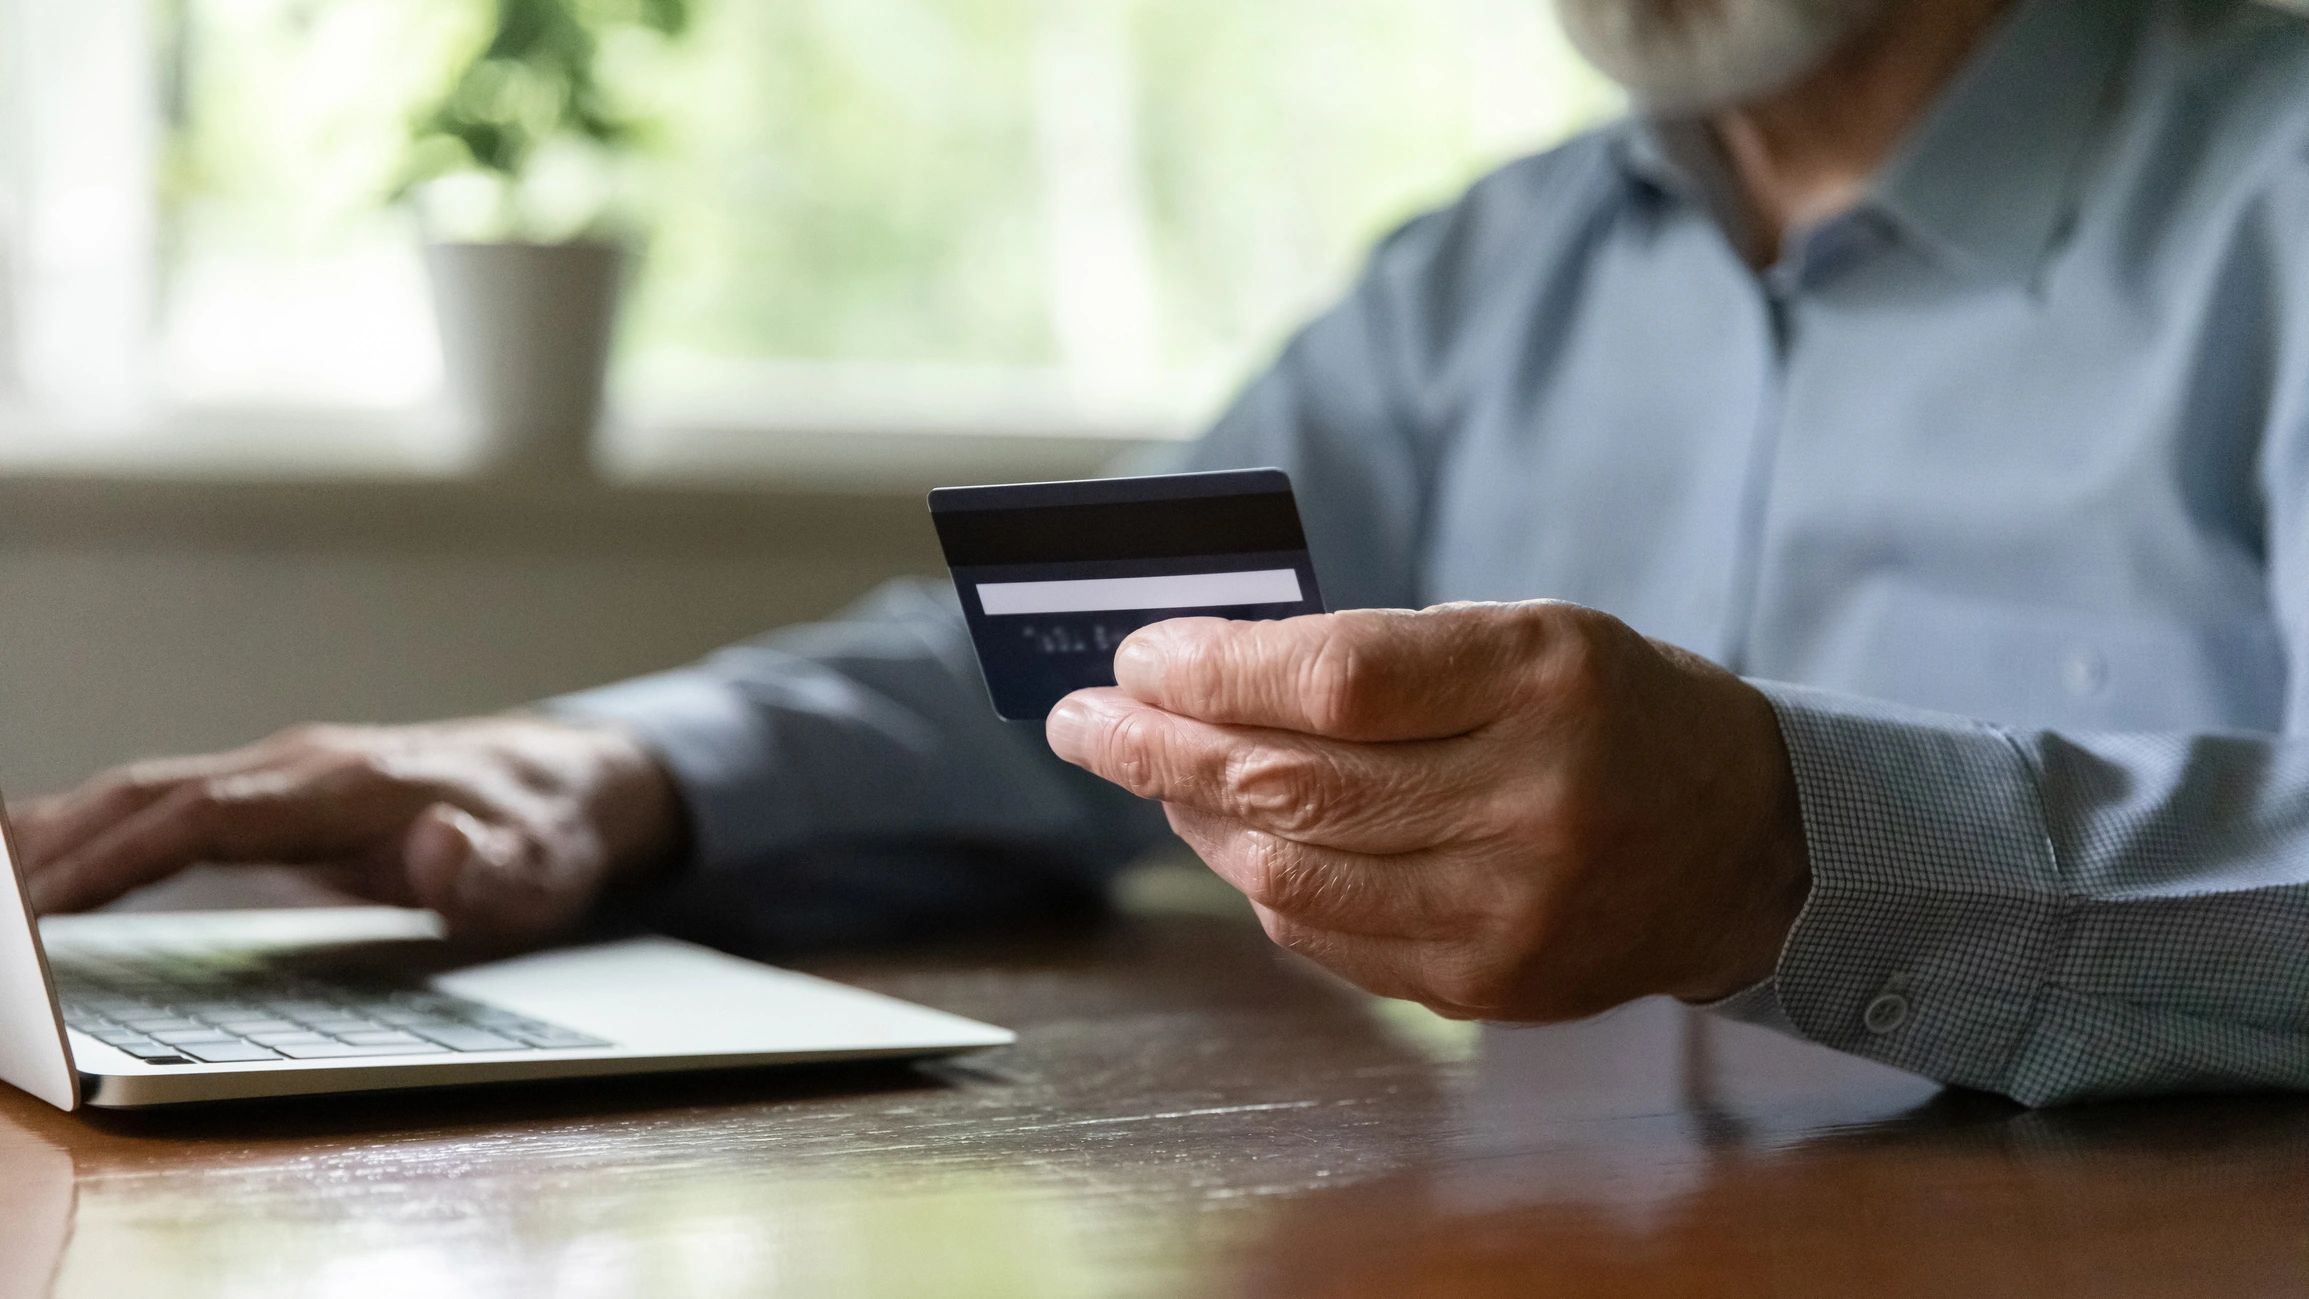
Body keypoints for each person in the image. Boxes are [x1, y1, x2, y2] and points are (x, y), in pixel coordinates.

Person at [14, 0, 2309, 1107]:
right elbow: (1087, 660)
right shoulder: (1484, 275)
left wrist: (1799, 852)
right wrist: (602, 767)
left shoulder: (2279, 189)